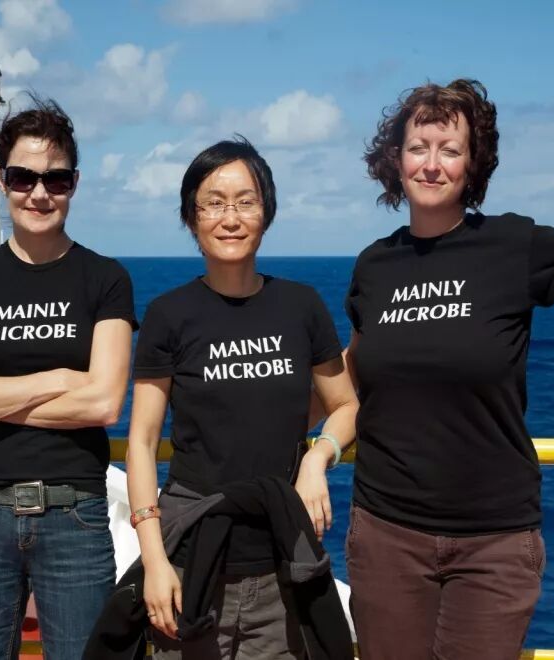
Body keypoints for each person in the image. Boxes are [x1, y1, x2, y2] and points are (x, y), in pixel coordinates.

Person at [343, 79, 554, 660]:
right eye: (418, 147)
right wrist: (286, 430)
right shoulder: (375, 265)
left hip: (493, 540)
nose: (432, 164)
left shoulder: (517, 244)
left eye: (450, 150)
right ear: (396, 159)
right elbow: (353, 369)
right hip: (387, 530)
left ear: (473, 163)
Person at [126, 137, 359, 659]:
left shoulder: (301, 305)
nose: (230, 218)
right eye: (213, 203)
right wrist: (155, 561)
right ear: (191, 218)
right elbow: (140, 442)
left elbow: (345, 405)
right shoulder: (169, 314)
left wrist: (318, 458)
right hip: (191, 558)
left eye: (245, 202)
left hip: (279, 562)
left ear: (266, 212)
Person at [0, 96, 137, 660]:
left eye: (56, 179)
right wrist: (63, 376)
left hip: (74, 513)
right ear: (2, 180)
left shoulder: (106, 279)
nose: (39, 193)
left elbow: (103, 404)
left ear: (75, 183)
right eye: (23, 177)